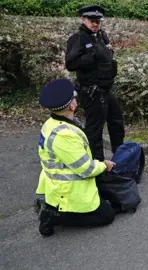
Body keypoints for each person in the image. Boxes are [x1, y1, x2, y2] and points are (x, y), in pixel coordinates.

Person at [35, 79, 116, 237]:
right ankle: (54, 215)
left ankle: (51, 207)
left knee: (106, 199)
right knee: (107, 215)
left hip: (56, 186)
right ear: (72, 106)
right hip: (68, 191)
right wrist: (104, 165)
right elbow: (85, 169)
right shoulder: (65, 135)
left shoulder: (51, 124)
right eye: (74, 98)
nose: (76, 99)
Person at [65, 5, 125, 161]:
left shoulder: (101, 36)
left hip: (105, 90)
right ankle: (97, 167)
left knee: (117, 122)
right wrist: (93, 56)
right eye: (92, 21)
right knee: (95, 131)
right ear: (83, 19)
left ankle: (119, 158)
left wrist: (106, 52)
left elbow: (106, 57)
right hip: (92, 92)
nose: (96, 24)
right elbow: (70, 64)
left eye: (98, 21)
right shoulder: (78, 39)